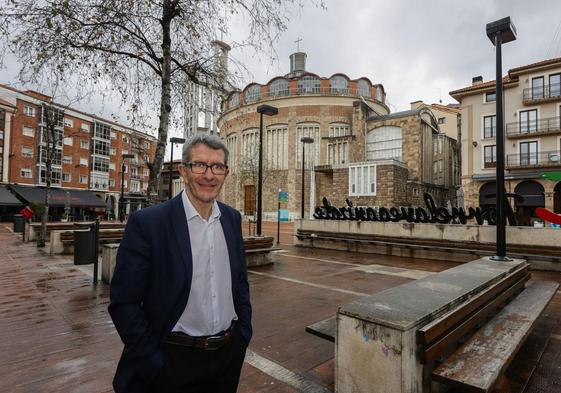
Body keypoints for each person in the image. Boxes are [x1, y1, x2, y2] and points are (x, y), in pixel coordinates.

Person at [109, 134, 252, 393]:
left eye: (217, 166)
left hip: (227, 358)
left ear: (226, 172)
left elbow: (240, 282)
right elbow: (124, 303)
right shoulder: (149, 223)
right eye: (199, 165)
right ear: (183, 171)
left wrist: (243, 335)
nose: (209, 175)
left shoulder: (231, 219)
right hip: (172, 361)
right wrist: (154, 364)